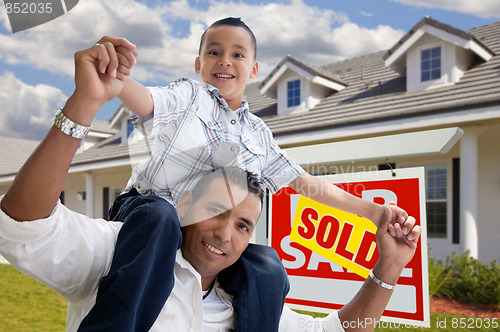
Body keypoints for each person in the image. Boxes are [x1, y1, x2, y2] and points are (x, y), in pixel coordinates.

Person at [0, 17, 421, 331]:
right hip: (146, 215)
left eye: (238, 54)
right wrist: (110, 83)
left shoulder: (258, 135)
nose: (226, 60)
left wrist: (373, 212)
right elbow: (145, 99)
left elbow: (301, 182)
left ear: (254, 69)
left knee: (267, 265)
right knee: (161, 219)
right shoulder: (189, 97)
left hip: (185, 224)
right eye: (214, 52)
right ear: (199, 63)